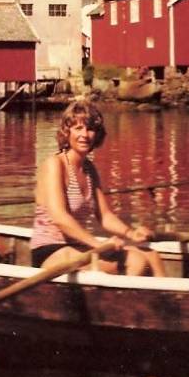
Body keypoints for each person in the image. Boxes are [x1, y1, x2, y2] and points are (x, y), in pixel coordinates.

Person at [30, 100, 165, 276]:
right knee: (135, 261)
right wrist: (97, 244)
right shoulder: (54, 164)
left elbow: (105, 216)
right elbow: (60, 218)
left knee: (152, 255)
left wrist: (131, 233)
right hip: (49, 250)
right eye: (78, 128)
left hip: (76, 246)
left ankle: (167, 302)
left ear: (97, 134)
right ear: (66, 131)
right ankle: (123, 302)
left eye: (90, 129)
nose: (84, 135)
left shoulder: (89, 169)